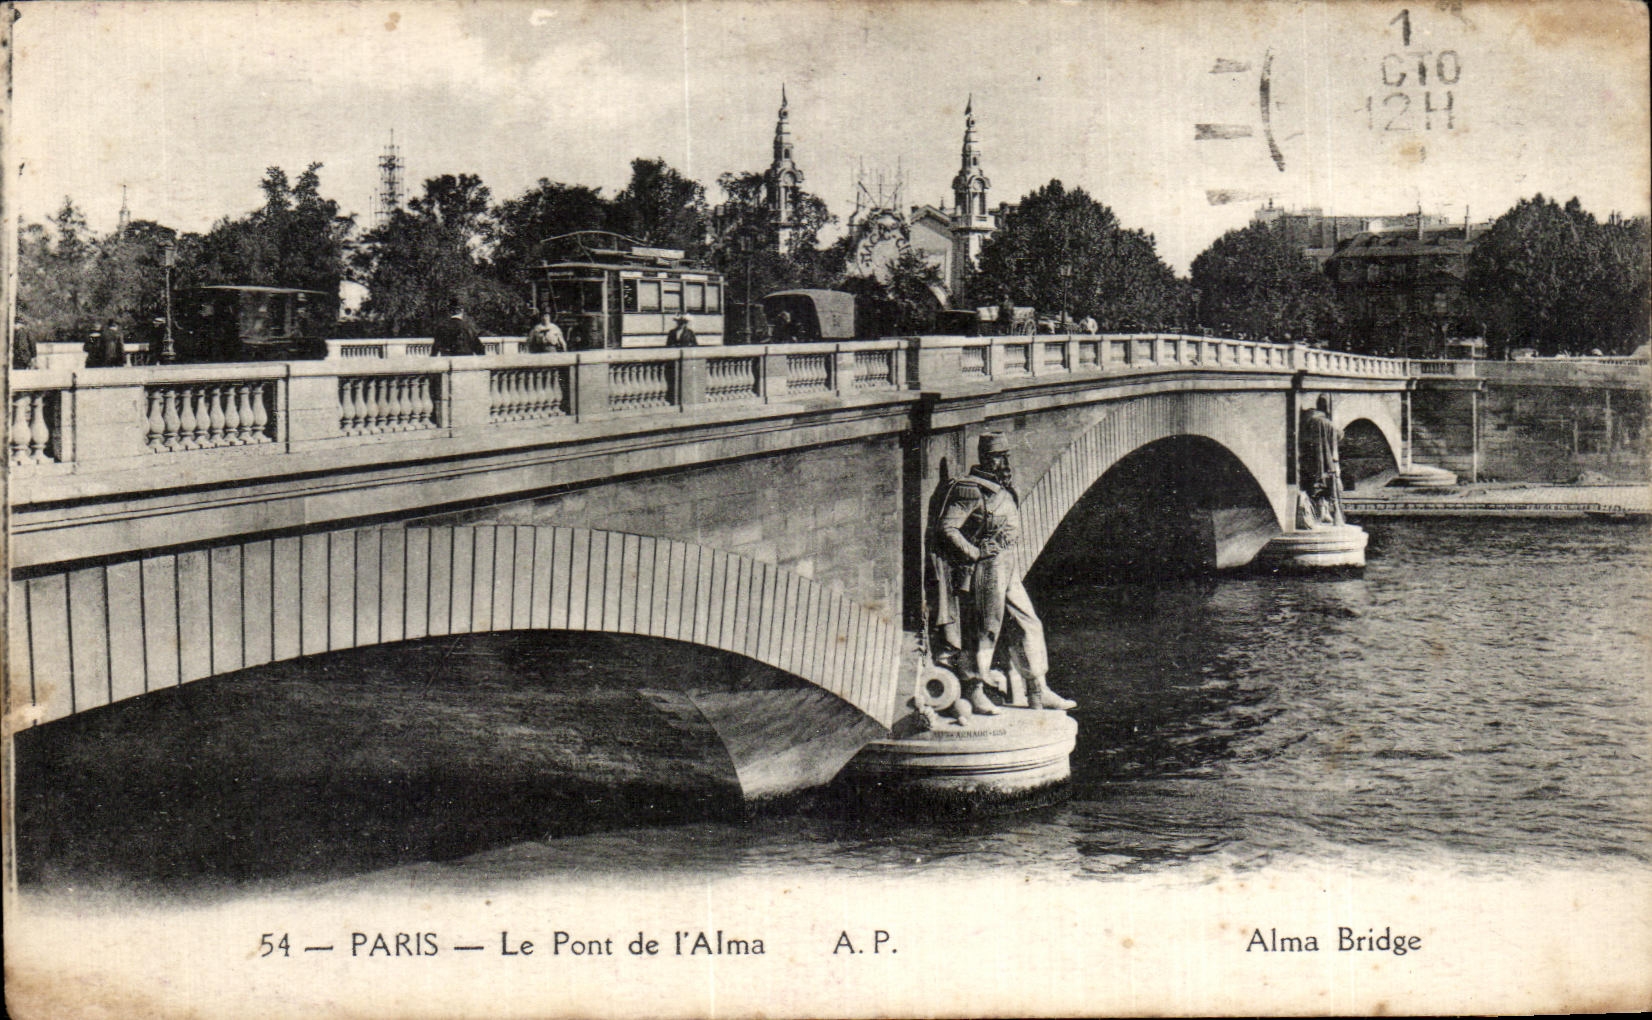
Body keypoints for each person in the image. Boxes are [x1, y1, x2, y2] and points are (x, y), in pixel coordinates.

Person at [932, 432, 1076, 713]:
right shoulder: (969, 490)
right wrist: (975, 552)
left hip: (1008, 564)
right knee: (985, 629)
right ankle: (974, 689)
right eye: (999, 456)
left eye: (1005, 455)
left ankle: (1037, 689)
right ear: (985, 458)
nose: (1004, 462)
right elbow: (947, 528)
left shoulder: (1003, 488)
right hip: (987, 568)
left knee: (1028, 622)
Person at [1298, 394, 1344, 527]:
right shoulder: (1328, 423)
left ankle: (1317, 513)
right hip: (1327, 461)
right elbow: (1339, 435)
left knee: (1312, 484)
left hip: (1309, 460)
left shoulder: (1307, 418)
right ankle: (1325, 512)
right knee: (1329, 486)